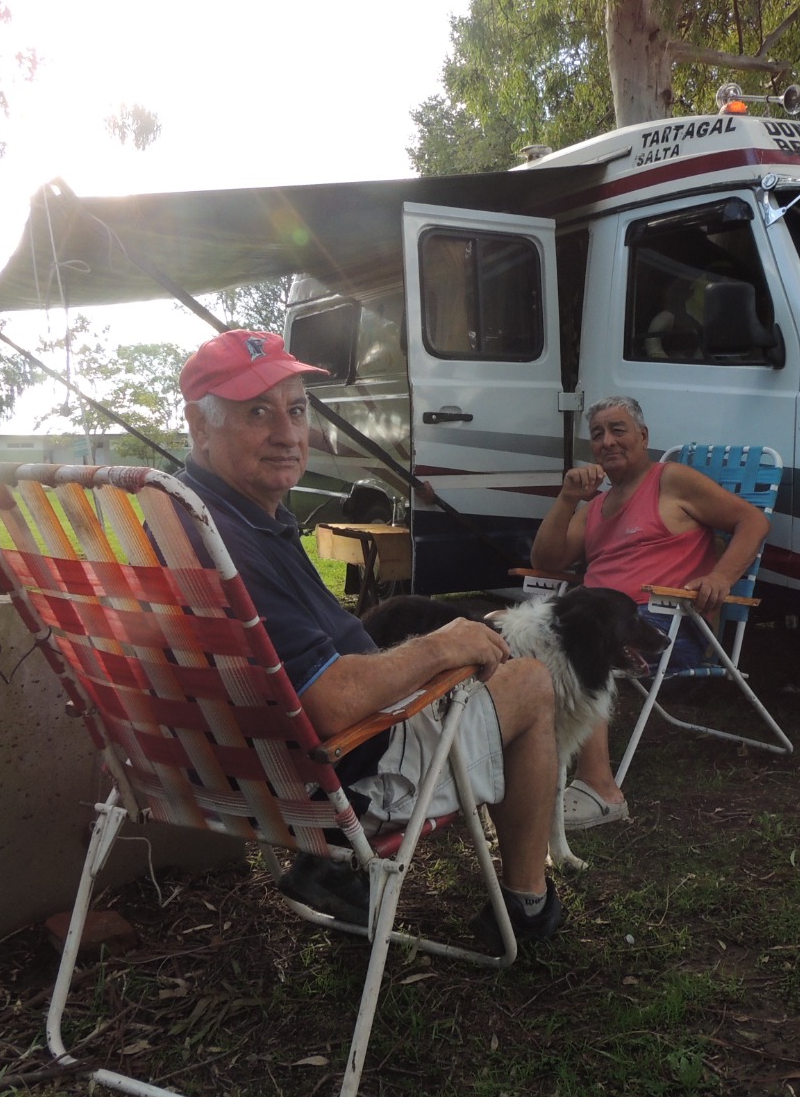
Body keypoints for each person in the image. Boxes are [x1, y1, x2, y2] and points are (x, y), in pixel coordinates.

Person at [176, 328, 564, 949]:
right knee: (532, 682)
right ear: (200, 425)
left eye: (296, 410)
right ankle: (526, 907)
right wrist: (439, 647)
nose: (288, 434)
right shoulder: (226, 540)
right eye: (257, 413)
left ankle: (341, 872)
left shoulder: (181, 514)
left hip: (224, 771)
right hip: (333, 779)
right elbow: (330, 702)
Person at [530, 395, 769, 829]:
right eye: (597, 434)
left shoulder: (671, 480)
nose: (607, 441)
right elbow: (546, 561)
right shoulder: (596, 506)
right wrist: (566, 499)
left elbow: (752, 521)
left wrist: (721, 576)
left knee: (581, 649)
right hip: (601, 620)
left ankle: (600, 790)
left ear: (643, 437)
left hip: (663, 626)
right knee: (519, 644)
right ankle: (523, 769)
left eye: (618, 429)